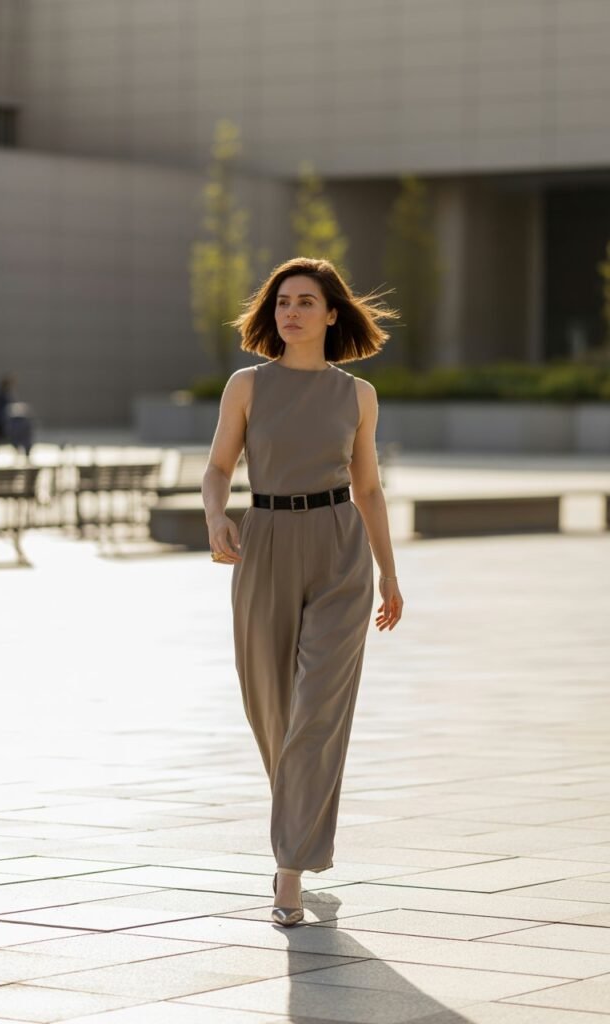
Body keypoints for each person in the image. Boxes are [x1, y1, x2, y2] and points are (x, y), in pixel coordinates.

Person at [202, 256, 404, 927]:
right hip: (264, 544)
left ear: (331, 314)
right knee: (273, 710)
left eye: (305, 302)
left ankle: (290, 869)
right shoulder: (247, 385)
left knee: (318, 708)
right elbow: (218, 467)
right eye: (282, 301)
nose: (291, 312)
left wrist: (390, 574)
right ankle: (298, 824)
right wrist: (215, 514)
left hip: (341, 551)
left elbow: (370, 489)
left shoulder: (358, 396)